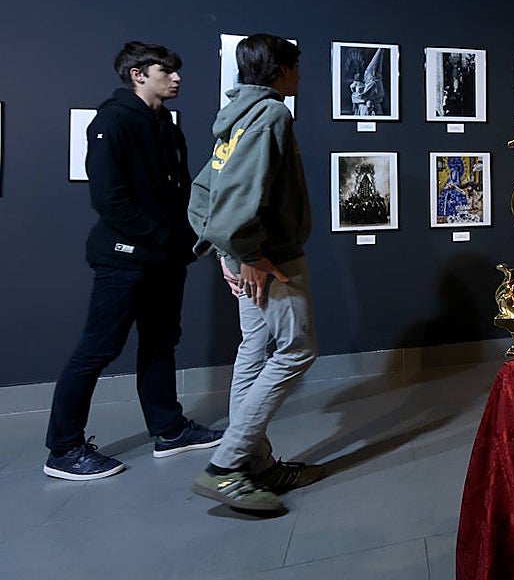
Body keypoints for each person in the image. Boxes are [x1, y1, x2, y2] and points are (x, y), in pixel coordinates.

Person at [44, 42, 222, 481]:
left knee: (161, 342)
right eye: (168, 70)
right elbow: (109, 199)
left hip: (164, 259)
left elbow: (176, 193)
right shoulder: (113, 120)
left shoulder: (165, 125)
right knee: (98, 348)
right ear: (138, 75)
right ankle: (63, 449)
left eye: (178, 70)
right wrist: (162, 237)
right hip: (125, 259)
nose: (177, 77)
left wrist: (183, 241)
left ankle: (169, 429)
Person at [188, 33, 322, 514]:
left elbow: (205, 189)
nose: (300, 76)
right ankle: (226, 466)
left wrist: (224, 250)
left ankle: (257, 462)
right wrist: (245, 253)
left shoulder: (235, 117)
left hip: (245, 253)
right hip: (271, 257)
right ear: (281, 70)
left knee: (253, 347)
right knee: (296, 351)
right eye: (296, 67)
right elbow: (241, 193)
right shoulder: (270, 115)